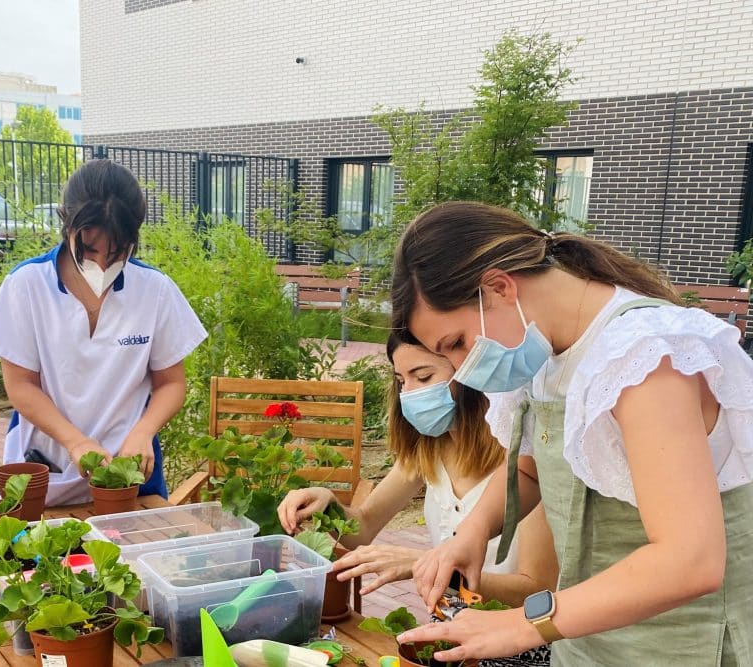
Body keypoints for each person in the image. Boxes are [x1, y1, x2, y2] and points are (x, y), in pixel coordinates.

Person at [390, 201, 753, 666]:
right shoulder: (543, 354)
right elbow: (534, 467)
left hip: (681, 646)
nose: (460, 369)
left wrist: (520, 624)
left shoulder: (643, 356)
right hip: (588, 637)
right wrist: (472, 532)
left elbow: (691, 560)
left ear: (499, 287)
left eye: (457, 343)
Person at [0, 159, 207, 505]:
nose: (101, 265)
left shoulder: (154, 290)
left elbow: (171, 382)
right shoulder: (26, 285)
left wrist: (143, 432)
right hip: (45, 468)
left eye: (117, 253)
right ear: (66, 224)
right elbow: (20, 385)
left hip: (128, 475)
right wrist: (76, 442)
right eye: (88, 250)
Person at [278, 333, 557, 615]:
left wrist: (425, 564)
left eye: (422, 377)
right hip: (451, 627)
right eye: (401, 381)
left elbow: (535, 589)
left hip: (518, 642)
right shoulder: (427, 451)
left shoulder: (526, 466)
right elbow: (363, 527)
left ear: (472, 374)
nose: (408, 393)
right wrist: (327, 505)